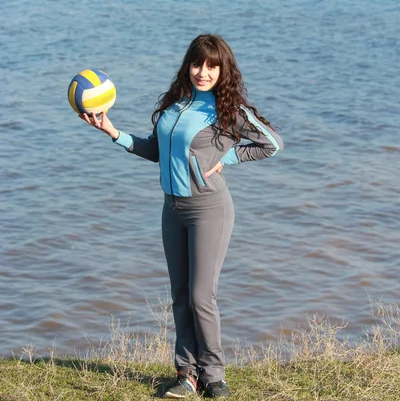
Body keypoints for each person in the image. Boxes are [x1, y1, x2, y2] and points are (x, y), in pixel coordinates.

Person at [80, 33, 283, 399]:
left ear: (223, 70)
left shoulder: (227, 110)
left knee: (202, 295)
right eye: (196, 64)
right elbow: (155, 152)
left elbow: (272, 142)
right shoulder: (175, 105)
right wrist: (112, 131)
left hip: (210, 210)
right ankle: (186, 374)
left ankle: (214, 376)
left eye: (211, 66)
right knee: (180, 295)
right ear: (187, 65)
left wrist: (230, 158)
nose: (202, 72)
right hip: (172, 210)